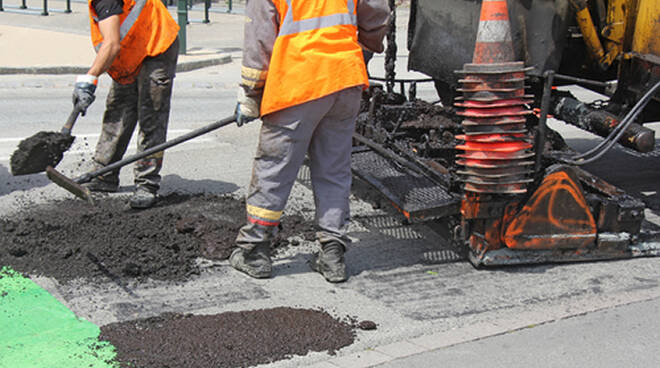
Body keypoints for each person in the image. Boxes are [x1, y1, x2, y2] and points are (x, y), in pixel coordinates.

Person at [230, 0, 389, 282]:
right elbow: (377, 13)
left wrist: (251, 94)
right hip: (344, 79)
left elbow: (259, 39)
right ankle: (332, 255)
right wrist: (361, 51)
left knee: (274, 166)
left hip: (298, 80)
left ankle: (254, 250)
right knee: (334, 169)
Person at [72, 0, 180, 209]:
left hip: (156, 44)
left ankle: (146, 184)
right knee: (118, 108)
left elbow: (111, 44)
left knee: (151, 116)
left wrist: (90, 78)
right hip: (132, 51)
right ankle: (104, 175)